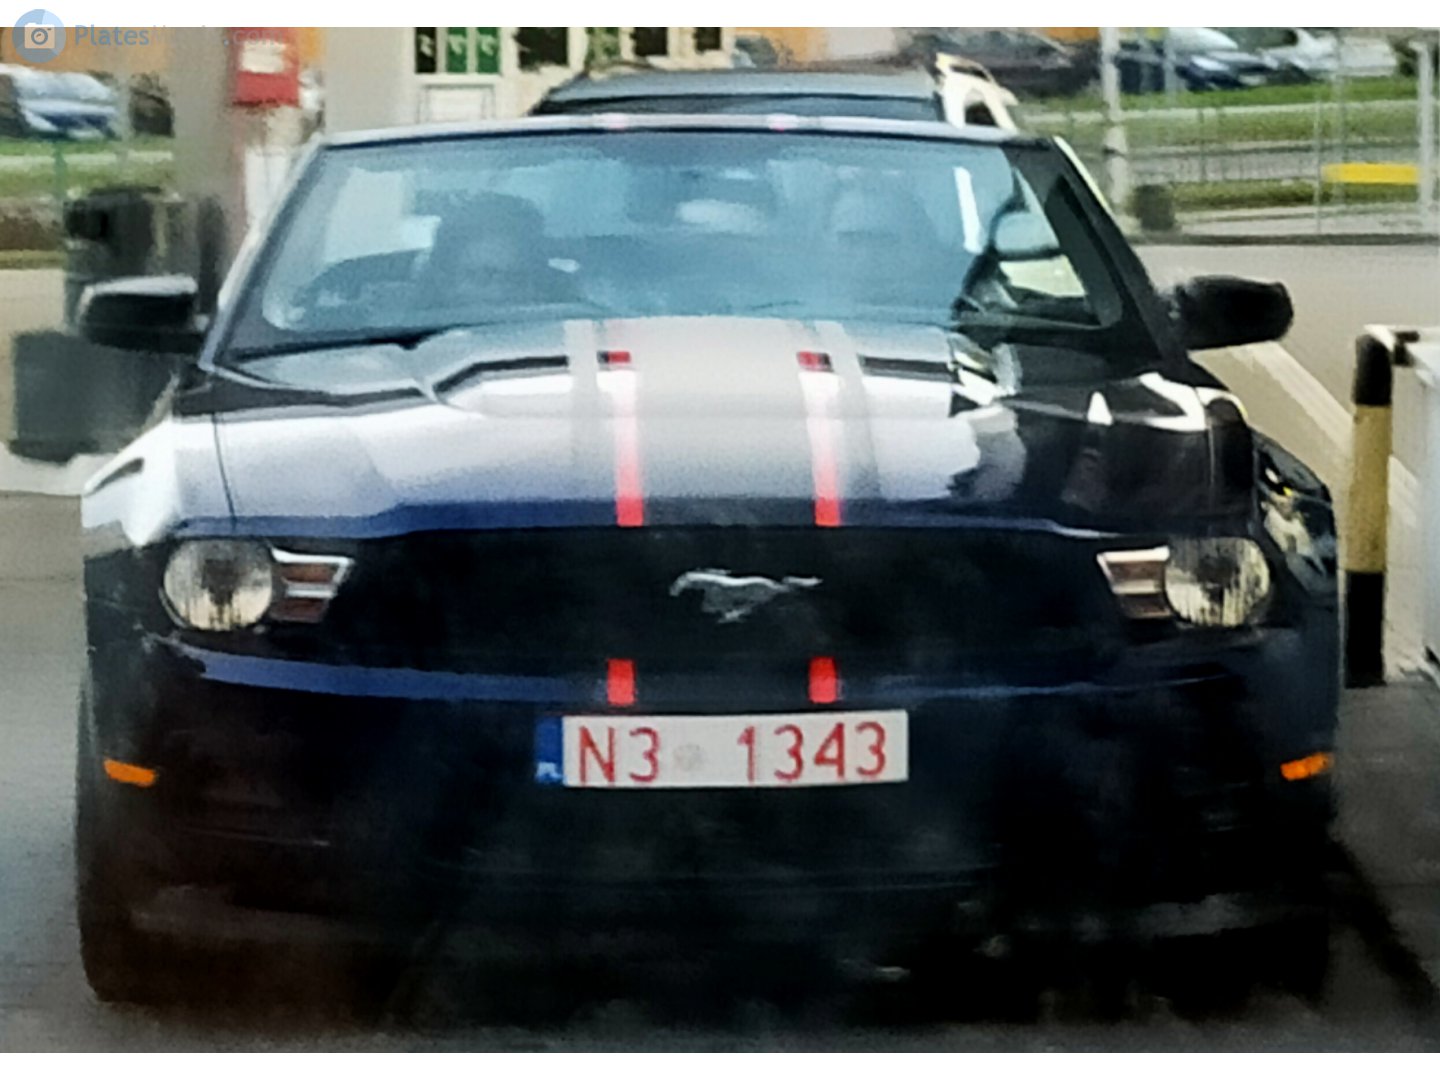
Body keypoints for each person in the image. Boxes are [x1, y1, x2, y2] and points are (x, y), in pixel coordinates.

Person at [419, 193, 577, 310]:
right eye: (481, 277)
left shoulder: (571, 328)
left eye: (514, 279)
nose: (498, 293)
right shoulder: (410, 333)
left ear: (534, 284)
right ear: (446, 281)